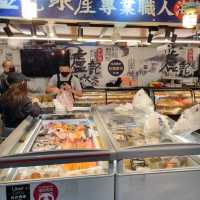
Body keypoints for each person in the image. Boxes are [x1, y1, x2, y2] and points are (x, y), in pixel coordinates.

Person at [0, 72, 41, 137]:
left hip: (6, 131)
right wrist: (35, 103)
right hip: (19, 131)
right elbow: (35, 112)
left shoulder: (4, 96)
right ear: (22, 83)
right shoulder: (22, 98)